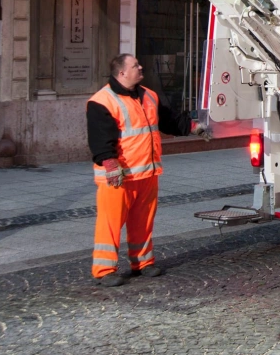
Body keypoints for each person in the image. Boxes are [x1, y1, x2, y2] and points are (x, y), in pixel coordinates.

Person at [87, 54, 212, 287]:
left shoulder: (149, 96)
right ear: (122, 73)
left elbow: (169, 120)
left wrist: (194, 127)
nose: (140, 67)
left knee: (143, 222)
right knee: (110, 223)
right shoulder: (102, 101)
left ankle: (142, 263)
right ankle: (104, 269)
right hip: (119, 176)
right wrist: (111, 165)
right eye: (135, 65)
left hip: (146, 173)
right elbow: (100, 138)